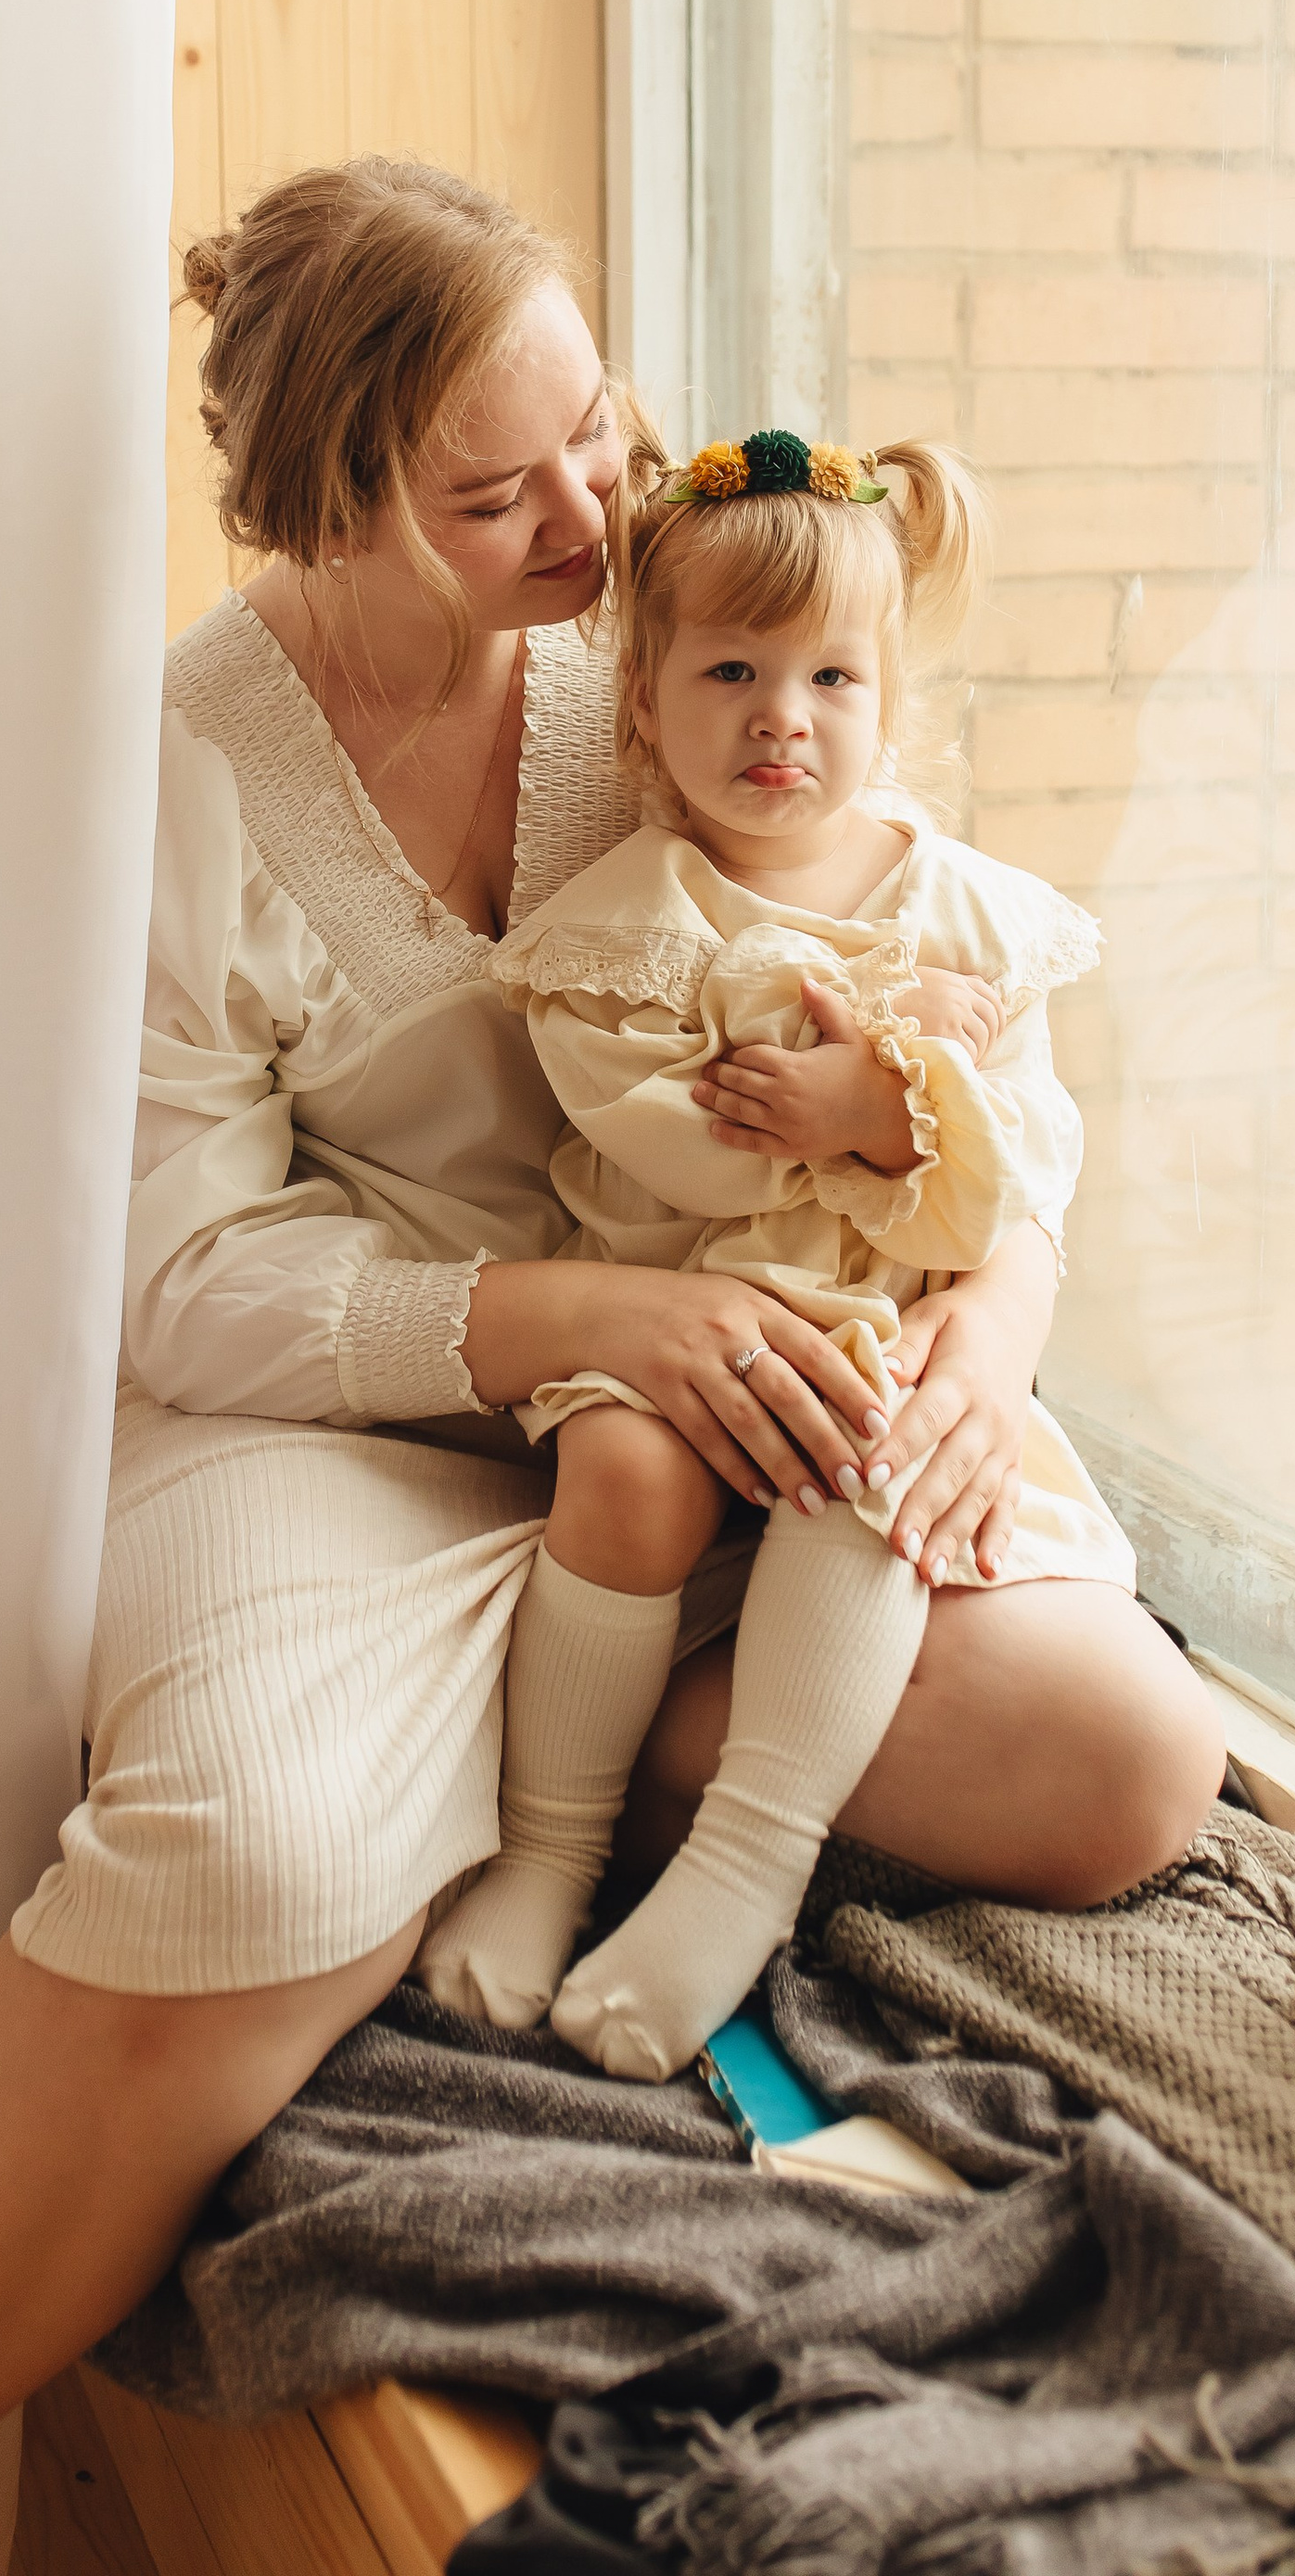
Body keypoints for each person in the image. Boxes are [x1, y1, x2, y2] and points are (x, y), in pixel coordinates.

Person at [0, 158, 1224, 2576]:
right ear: (331, 510)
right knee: (260, 1864)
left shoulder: (683, 638)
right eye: (494, 495)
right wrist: (579, 1328)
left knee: (1135, 1755)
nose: (588, 519)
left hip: (746, 1373)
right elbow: (181, 1276)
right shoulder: (179, 772)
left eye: (598, 436)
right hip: (360, 1417)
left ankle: (599, 1777)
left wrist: (974, 1340)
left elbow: (962, 1042)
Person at [417, 426, 1135, 2078]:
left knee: (869, 1453)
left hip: (872, 1342)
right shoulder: (631, 919)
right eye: (732, 670)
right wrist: (850, 1088)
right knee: (621, 1473)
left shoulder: (966, 914)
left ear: (890, 701)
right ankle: (550, 1851)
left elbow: (1023, 1163)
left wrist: (894, 1105)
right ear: (647, 701)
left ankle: (750, 1860)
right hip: (680, 1326)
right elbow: (671, 1134)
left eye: (831, 679)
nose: (780, 719)